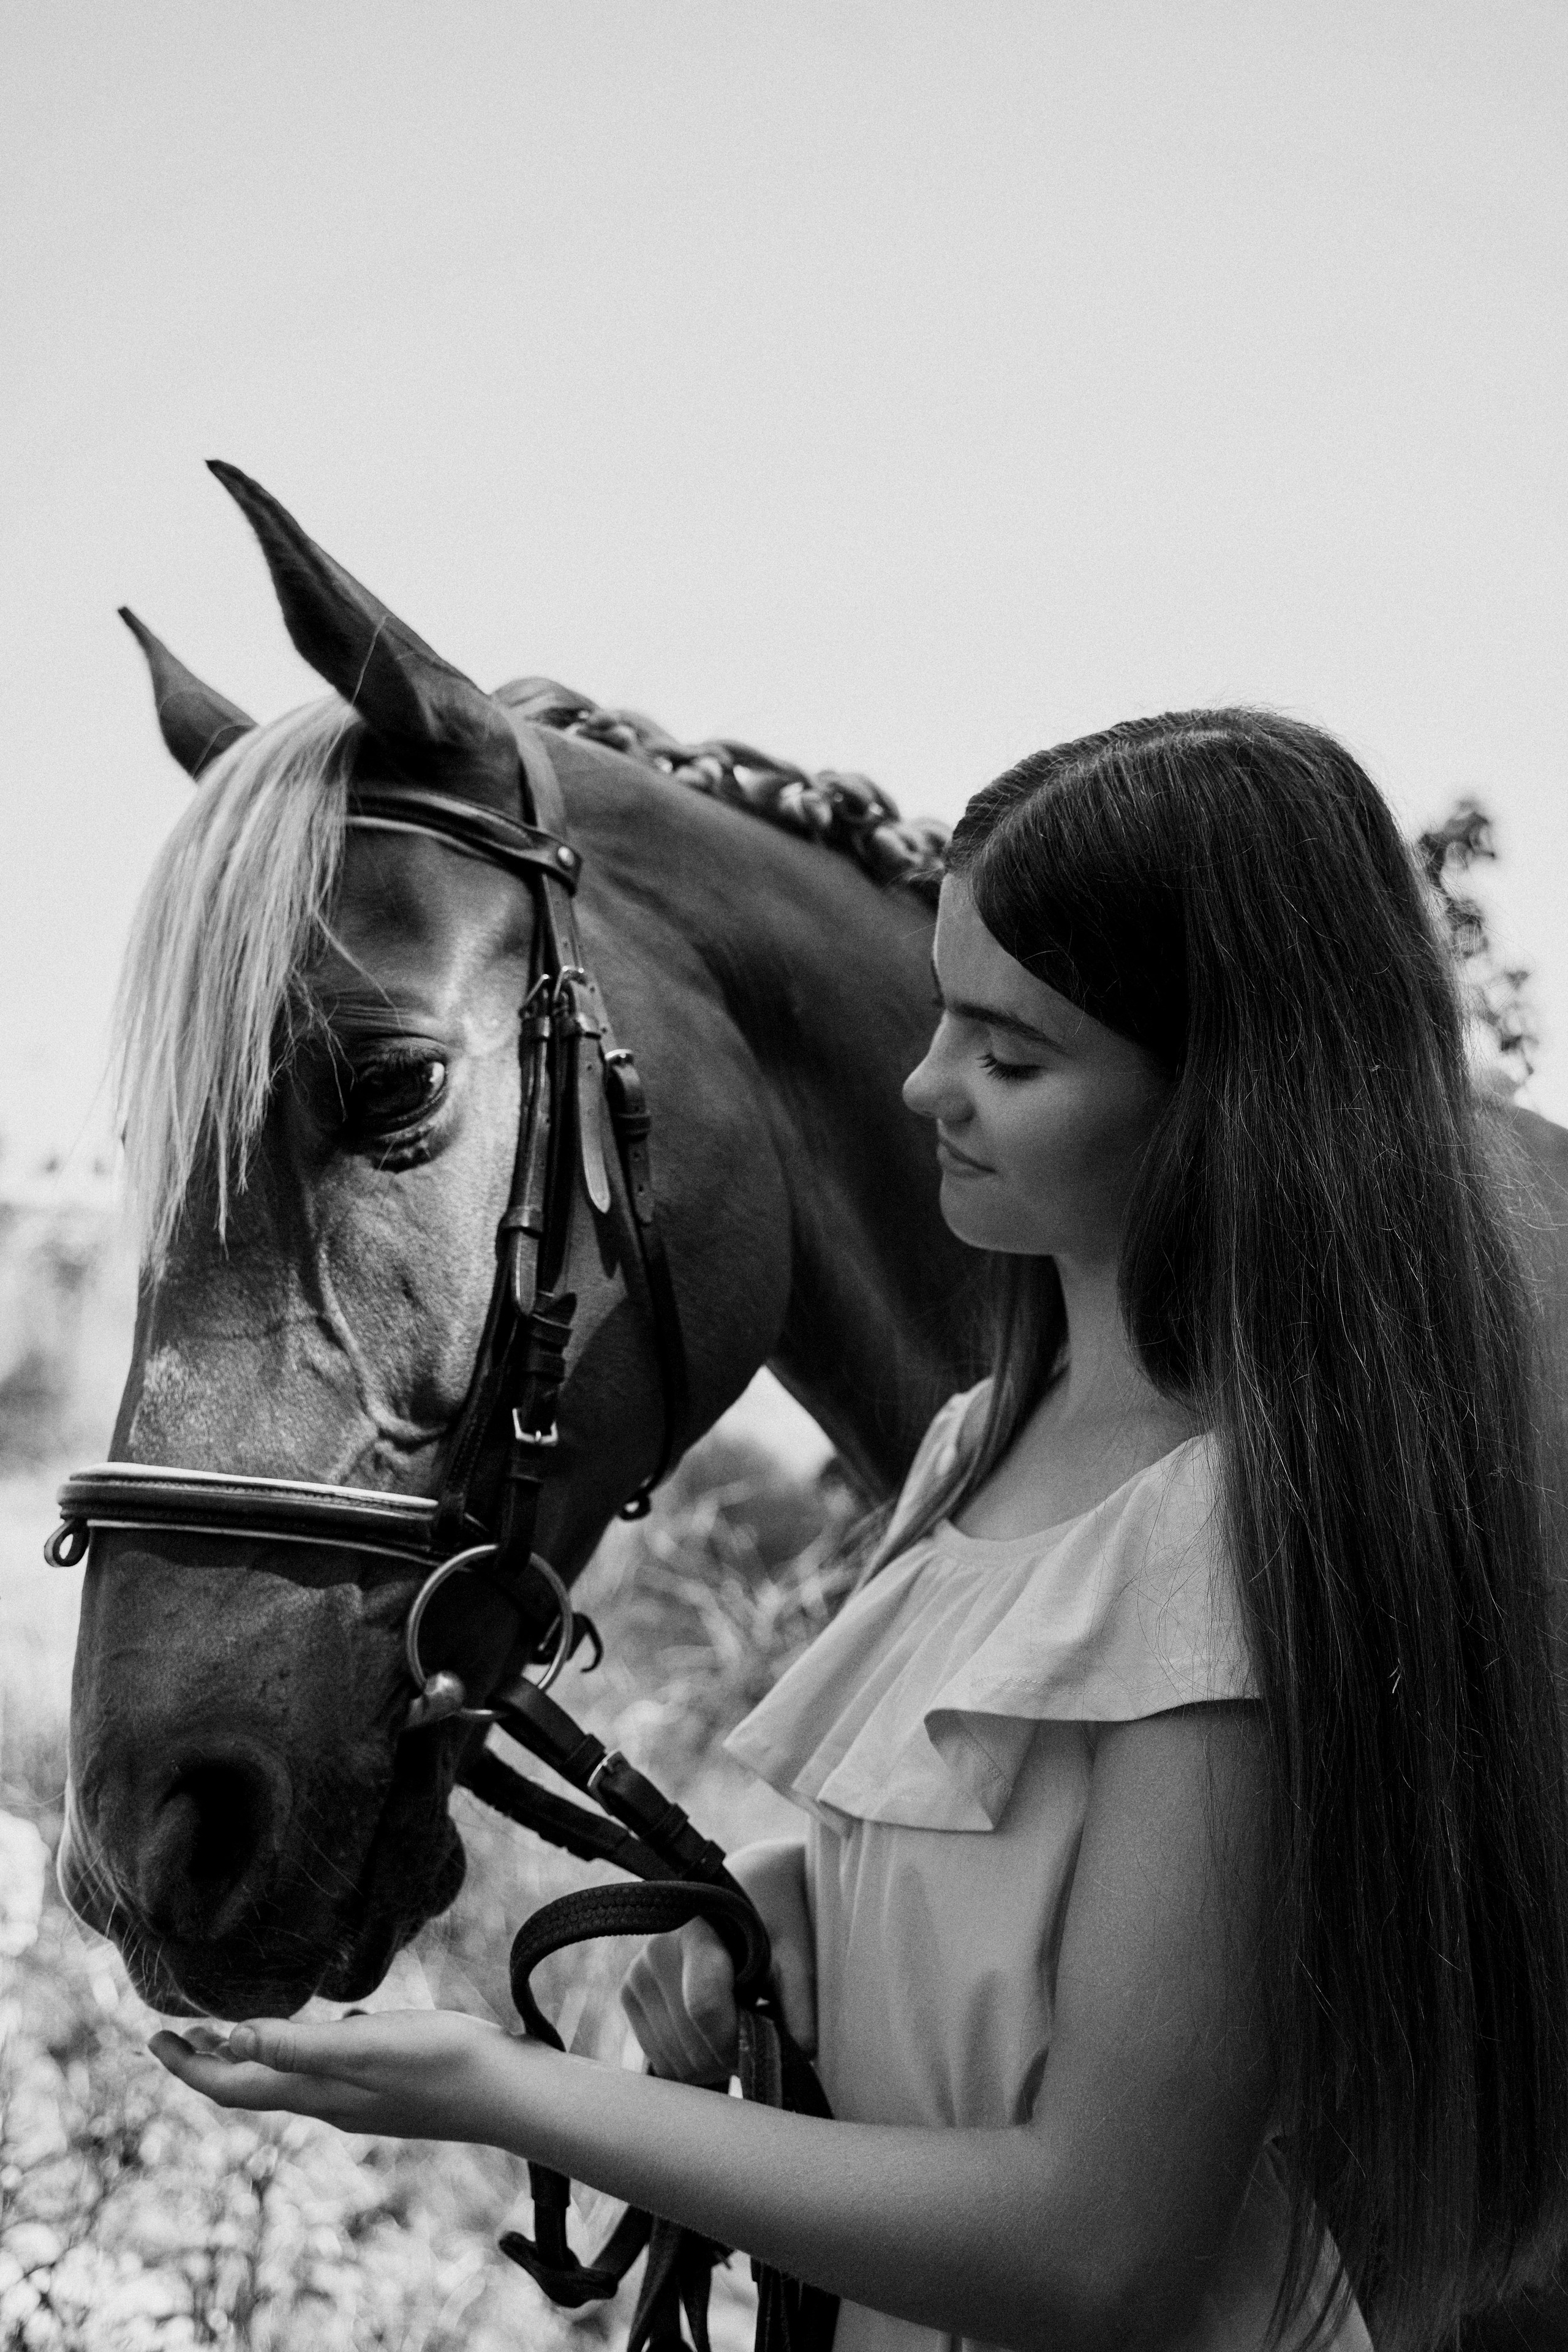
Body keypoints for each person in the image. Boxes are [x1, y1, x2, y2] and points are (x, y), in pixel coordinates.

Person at [153, 710, 1568, 2352]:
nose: (922, 1085)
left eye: (1013, 1057)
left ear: (1229, 1098)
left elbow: (1097, 2251)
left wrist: (502, 2093)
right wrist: (788, 1902)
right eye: (946, 1015)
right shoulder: (983, 1445)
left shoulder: (1223, 1542)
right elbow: (1036, 1881)